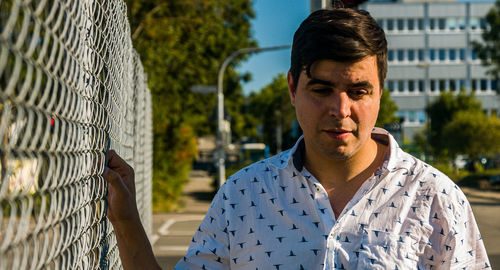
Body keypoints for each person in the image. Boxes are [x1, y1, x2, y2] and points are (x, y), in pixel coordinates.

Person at [105, 8, 491, 270]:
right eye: (321, 89)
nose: (340, 109)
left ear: (380, 92)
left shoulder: (435, 198)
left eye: (358, 91)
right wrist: (125, 221)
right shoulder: (243, 195)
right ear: (292, 87)